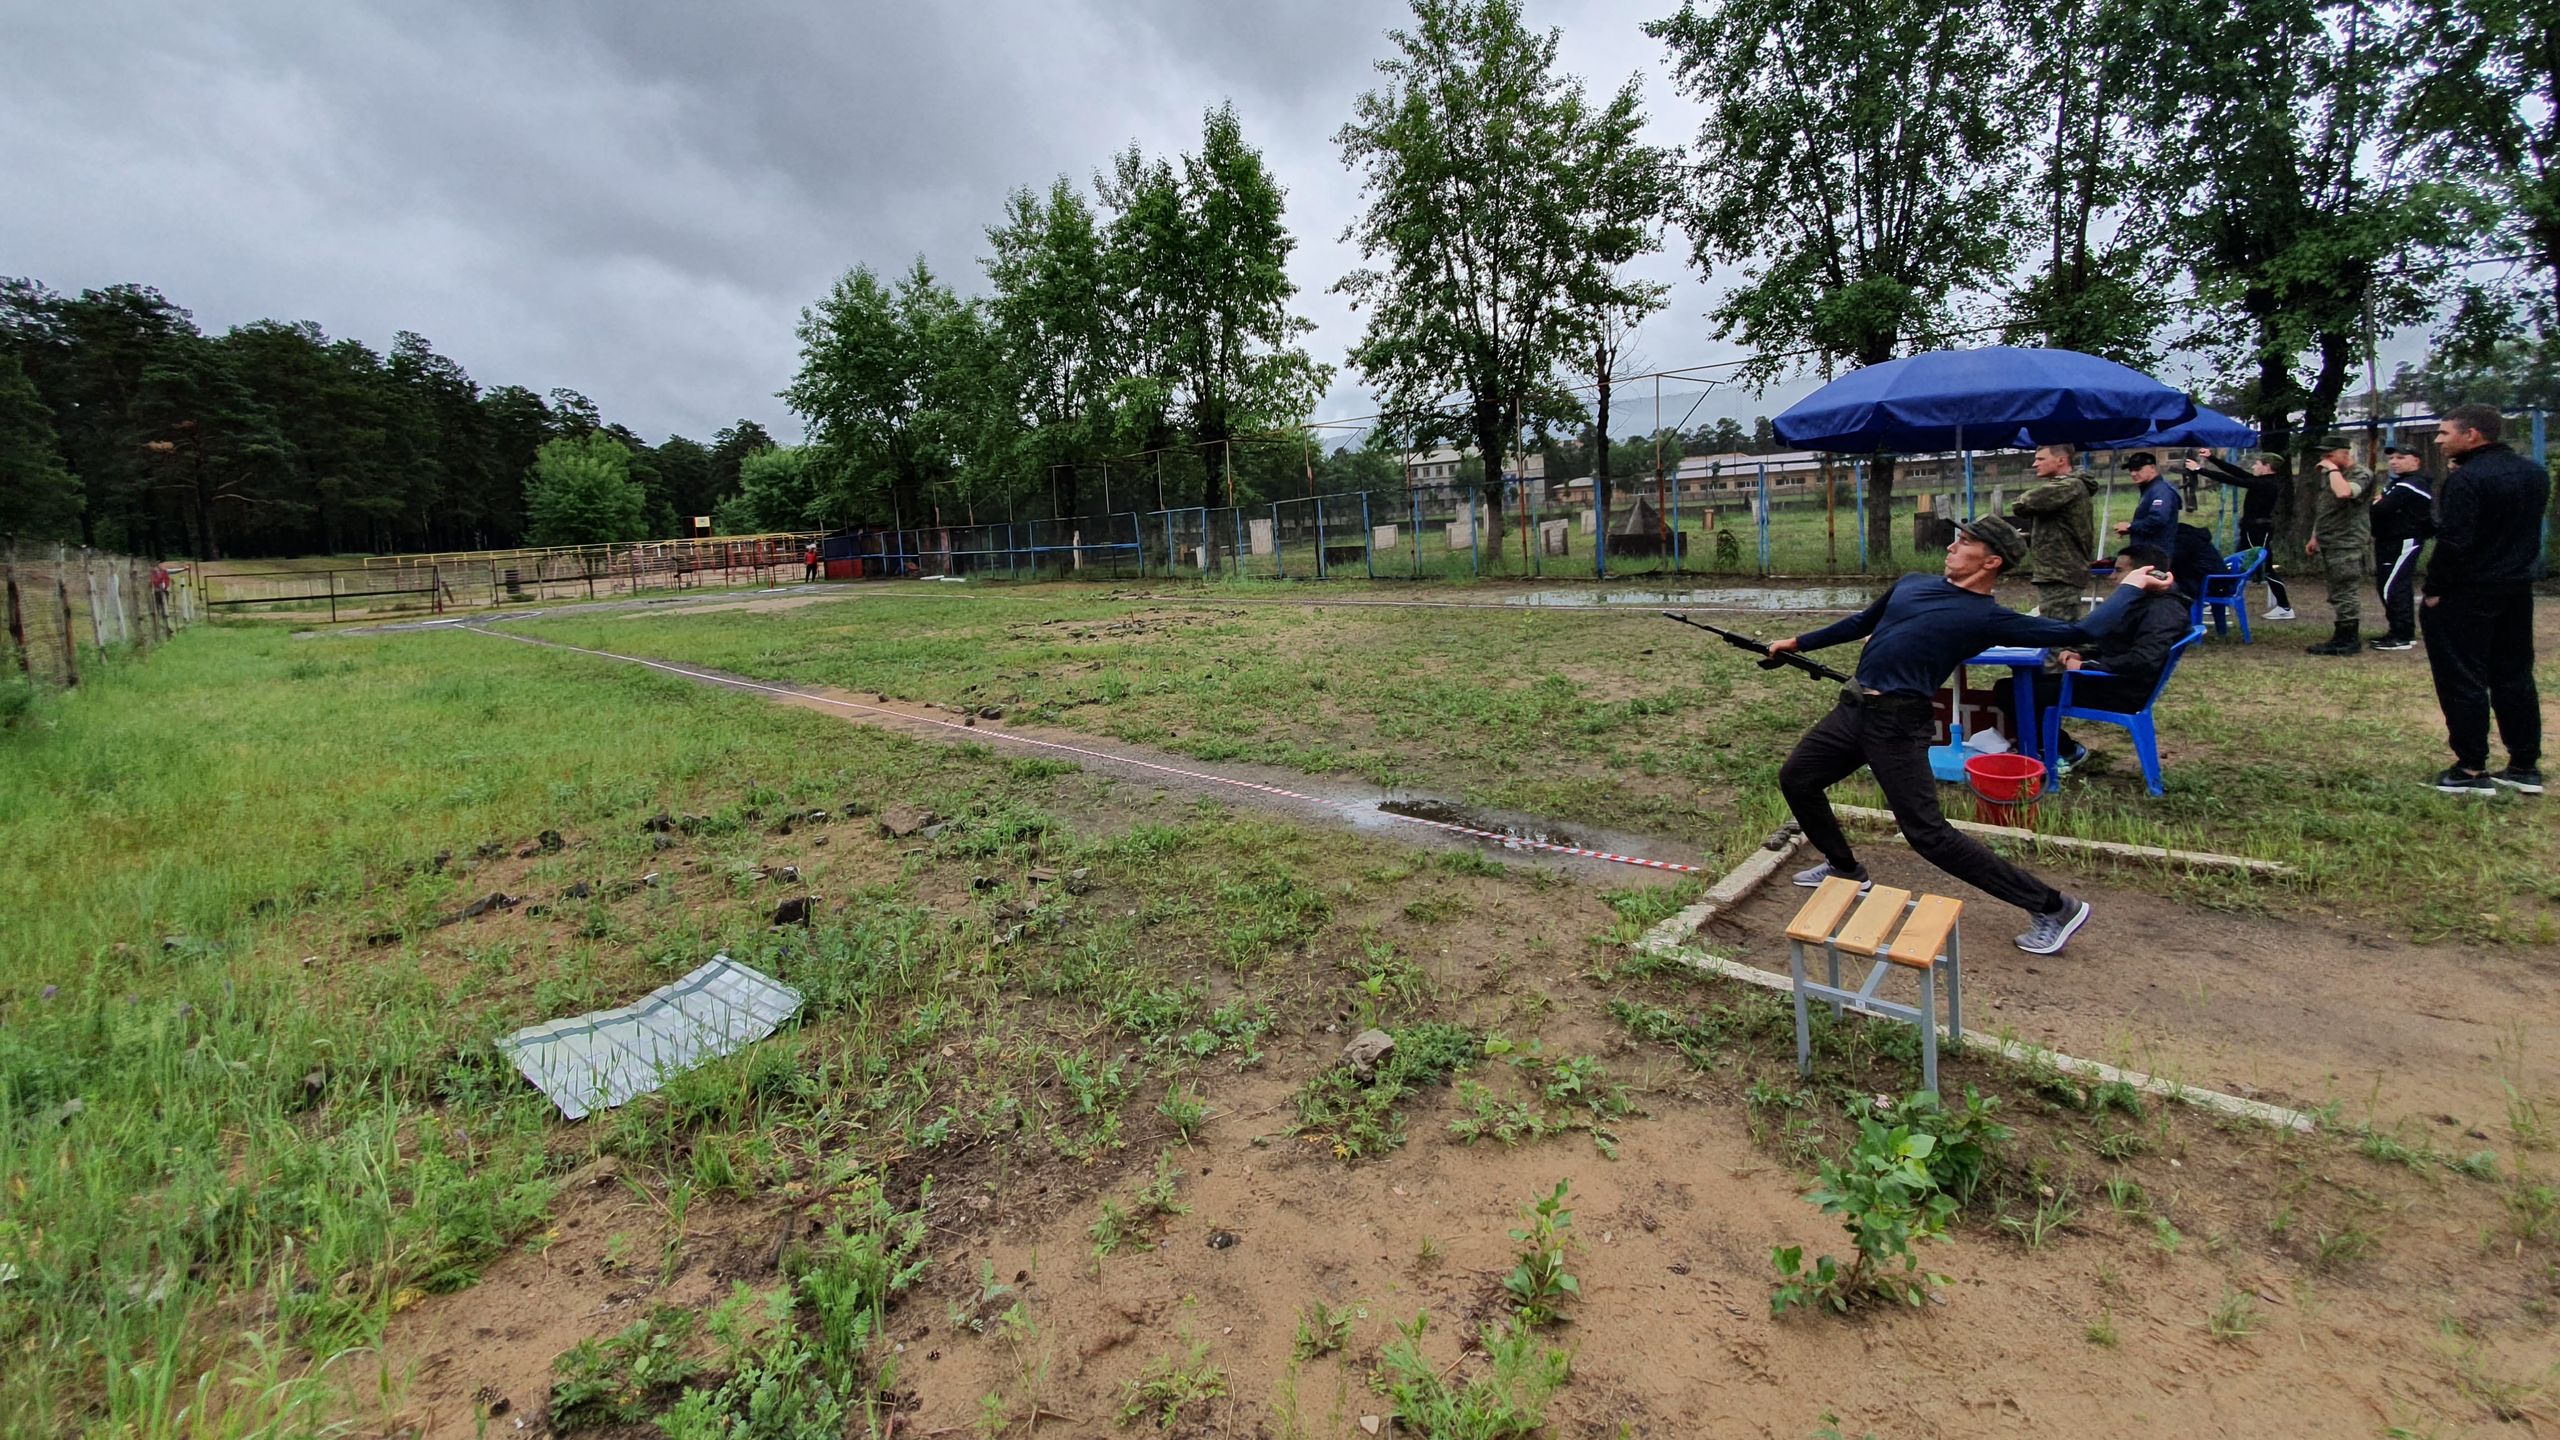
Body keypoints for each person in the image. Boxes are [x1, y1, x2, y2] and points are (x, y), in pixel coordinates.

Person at [1768, 515, 2179, 955]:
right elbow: (1861, 621)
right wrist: (1798, 642)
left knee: (1927, 834)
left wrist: (2132, 584)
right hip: (1852, 711)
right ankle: (1845, 869)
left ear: (1991, 561)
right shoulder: (1912, 583)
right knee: (1798, 778)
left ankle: (2054, 907)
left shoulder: (1987, 617)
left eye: (1964, 543)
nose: (1951, 547)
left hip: (1898, 724)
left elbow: (2083, 632)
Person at [2419, 404, 2546, 796]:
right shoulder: (2533, 473)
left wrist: (2435, 588)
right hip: (2515, 588)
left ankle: (2471, 768)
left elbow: (2455, 541)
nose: (2438, 441)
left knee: (2462, 677)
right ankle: (2524, 765)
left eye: (2444, 433)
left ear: (2471, 434)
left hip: (2467, 591)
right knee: (2514, 675)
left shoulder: (2468, 479)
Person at [1995, 543, 2194, 774]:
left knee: (2014, 692)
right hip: (2110, 679)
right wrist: (2084, 654)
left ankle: (2062, 751)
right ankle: (2050, 748)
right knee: (2016, 686)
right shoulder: (2146, 602)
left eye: (2119, 571)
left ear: (2148, 574)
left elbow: (2143, 660)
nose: (2112, 577)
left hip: (2119, 690)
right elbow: (2121, 644)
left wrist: (2086, 665)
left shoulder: (2164, 610)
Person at [2189, 448, 2294, 618]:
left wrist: (2200, 470)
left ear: (2267, 467)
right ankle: (2220, 599)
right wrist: (2212, 459)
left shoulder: (2266, 484)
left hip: (2258, 532)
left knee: (2267, 570)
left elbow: (2232, 479)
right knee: (2235, 566)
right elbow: (2236, 472)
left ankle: (2285, 607)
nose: (2253, 466)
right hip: (2250, 530)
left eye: (2257, 464)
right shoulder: (2261, 481)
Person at [2304, 434, 2377, 656]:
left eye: (2329, 454)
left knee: (2346, 589)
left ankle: (2348, 639)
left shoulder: (2360, 474)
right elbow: (2327, 507)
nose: (2324, 458)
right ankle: (2341, 634)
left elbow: (2345, 493)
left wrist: (2333, 470)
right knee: (2336, 589)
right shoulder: (2333, 475)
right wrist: (2315, 535)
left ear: (2344, 454)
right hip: (2331, 539)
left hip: (2348, 541)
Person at [2007, 443, 2097, 622]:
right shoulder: (2071, 487)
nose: (2035, 464)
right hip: (2059, 571)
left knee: (2057, 630)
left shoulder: (2067, 486)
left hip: (2060, 572)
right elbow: (2060, 531)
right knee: (2058, 626)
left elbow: (2022, 504)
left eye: (2041, 459)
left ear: (2061, 460)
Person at [2368, 444, 2434, 651]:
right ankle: (2397, 629)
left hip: (2403, 540)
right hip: (2388, 540)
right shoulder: (2398, 484)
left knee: (2393, 586)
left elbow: (2382, 508)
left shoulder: (2413, 484)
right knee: (2388, 585)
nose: (2394, 461)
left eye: (2401, 457)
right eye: (2392, 458)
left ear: (2416, 461)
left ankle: (2402, 635)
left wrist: (2379, 503)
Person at [2113, 452, 2182, 553]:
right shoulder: (2151, 489)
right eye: (2131, 470)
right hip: (2147, 550)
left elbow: (2158, 520)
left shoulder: (2161, 490)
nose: (2133, 473)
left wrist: (2130, 527)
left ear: (2152, 467)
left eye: (2138, 469)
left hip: (2155, 552)